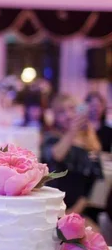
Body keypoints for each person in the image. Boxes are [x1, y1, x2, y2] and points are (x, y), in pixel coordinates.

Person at [41, 94, 103, 228]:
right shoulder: (50, 138)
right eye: (62, 112)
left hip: (81, 210)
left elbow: (93, 182)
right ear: (55, 117)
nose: (68, 115)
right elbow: (56, 156)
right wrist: (73, 131)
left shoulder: (90, 143)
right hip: (51, 209)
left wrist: (74, 212)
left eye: (72, 109)